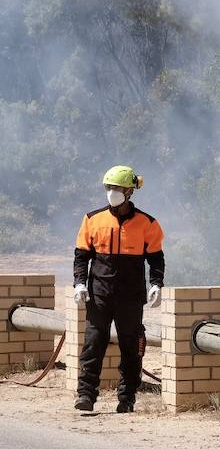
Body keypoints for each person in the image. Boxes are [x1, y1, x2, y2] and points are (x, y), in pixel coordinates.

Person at [72, 165, 164, 412]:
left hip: (131, 296)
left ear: (130, 191)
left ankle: (127, 398)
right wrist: (79, 283)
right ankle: (86, 395)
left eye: (117, 188)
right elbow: (81, 256)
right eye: (109, 187)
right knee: (93, 344)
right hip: (99, 293)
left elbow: (156, 258)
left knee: (131, 347)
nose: (112, 192)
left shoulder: (148, 223)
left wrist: (156, 283)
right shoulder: (93, 219)